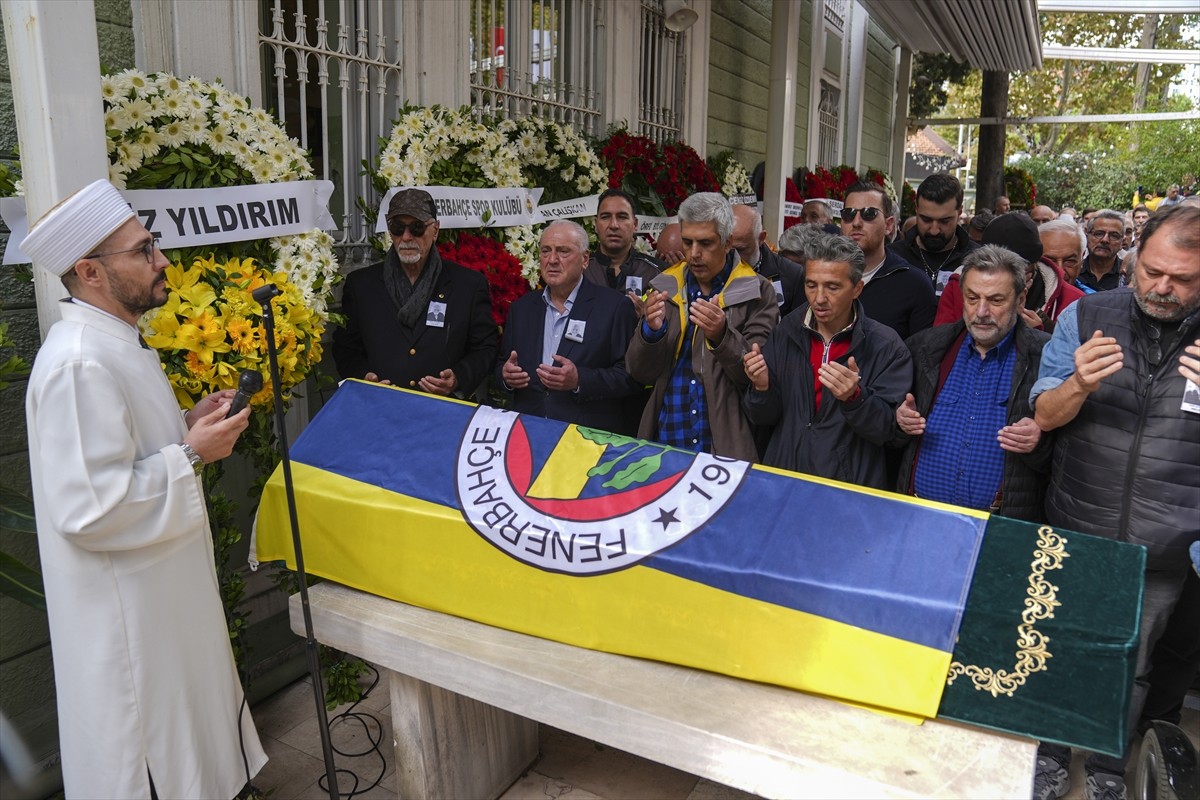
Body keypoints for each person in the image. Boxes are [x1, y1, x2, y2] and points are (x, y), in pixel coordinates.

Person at [20, 179, 267, 799]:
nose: (162, 263)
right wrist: (191, 454)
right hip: (129, 621)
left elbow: (121, 454)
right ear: (90, 271)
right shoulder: (80, 361)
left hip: (162, 596)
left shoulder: (118, 341)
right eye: (144, 250)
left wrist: (184, 427)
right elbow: (88, 506)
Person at [1029, 203, 1200, 800]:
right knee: (1055, 647)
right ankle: (1047, 755)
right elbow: (1042, 416)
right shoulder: (1087, 315)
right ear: (1133, 258)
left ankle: (1105, 766)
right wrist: (1076, 384)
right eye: (1151, 271)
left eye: (1182, 279)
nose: (1162, 287)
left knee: (1132, 665)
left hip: (1164, 542)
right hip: (1079, 522)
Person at [742, 232, 910, 489]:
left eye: (832, 287)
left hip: (846, 488)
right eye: (811, 285)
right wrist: (761, 388)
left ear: (857, 289)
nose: (819, 298)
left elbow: (888, 432)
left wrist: (855, 398)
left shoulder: (886, 345)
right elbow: (763, 418)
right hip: (784, 479)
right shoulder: (786, 330)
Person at [895, 245, 1051, 519]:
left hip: (1000, 528)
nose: (981, 311)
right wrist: (899, 420)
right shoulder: (926, 349)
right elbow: (888, 434)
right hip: (920, 516)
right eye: (972, 298)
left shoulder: (1045, 358)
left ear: (1021, 298)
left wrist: (1040, 442)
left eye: (996, 300)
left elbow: (1068, 457)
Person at [625, 192, 779, 461]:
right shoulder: (664, 285)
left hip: (723, 442)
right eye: (688, 242)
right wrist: (650, 333)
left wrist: (722, 336)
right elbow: (639, 372)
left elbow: (754, 377)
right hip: (666, 438)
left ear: (728, 242)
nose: (694, 253)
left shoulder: (758, 291)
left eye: (706, 243)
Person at [333, 188, 498, 395]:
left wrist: (458, 377)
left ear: (435, 230)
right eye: (397, 227)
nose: (407, 237)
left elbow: (486, 347)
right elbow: (345, 349)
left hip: (443, 412)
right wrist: (364, 377)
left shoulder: (467, 285)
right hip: (383, 409)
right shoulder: (361, 286)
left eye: (417, 228)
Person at [498, 221, 642, 434]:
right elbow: (502, 363)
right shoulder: (522, 308)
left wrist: (579, 380)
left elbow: (630, 377)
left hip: (586, 439)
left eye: (563, 251)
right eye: (546, 251)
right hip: (529, 433)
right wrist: (506, 376)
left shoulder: (614, 307)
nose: (552, 260)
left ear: (585, 259)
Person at [936, 213, 1084, 331]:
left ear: (1033, 263)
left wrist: (1040, 335)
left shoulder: (1073, 300)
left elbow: (1074, 360)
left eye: (1018, 267)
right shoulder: (957, 287)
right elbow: (940, 344)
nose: (1009, 275)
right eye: (998, 268)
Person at [840, 181, 935, 340]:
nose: (856, 223)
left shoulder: (915, 285)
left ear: (889, 225)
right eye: (849, 214)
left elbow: (922, 355)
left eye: (868, 213)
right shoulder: (817, 278)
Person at [889, 173, 978, 293]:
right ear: (916, 209)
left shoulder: (978, 260)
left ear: (959, 212)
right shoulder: (892, 257)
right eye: (926, 220)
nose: (934, 230)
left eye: (944, 221)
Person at [584, 188, 663, 303]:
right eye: (605, 217)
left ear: (635, 224)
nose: (614, 225)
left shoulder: (656, 272)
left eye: (622, 217)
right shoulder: (580, 270)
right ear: (596, 224)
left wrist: (644, 319)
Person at [730, 203, 806, 317]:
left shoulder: (793, 275)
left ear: (761, 238)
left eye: (741, 250)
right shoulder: (710, 270)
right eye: (727, 249)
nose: (733, 258)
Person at [1040, 217, 1096, 296]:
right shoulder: (1019, 299)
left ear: (1082, 260)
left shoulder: (1093, 303)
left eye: (1069, 261)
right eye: (1050, 262)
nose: (1060, 270)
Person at [1079, 210, 1125, 292]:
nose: (1105, 240)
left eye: (1114, 236)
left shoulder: (1127, 275)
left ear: (1122, 242)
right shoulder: (1075, 271)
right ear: (1087, 235)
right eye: (1099, 234)